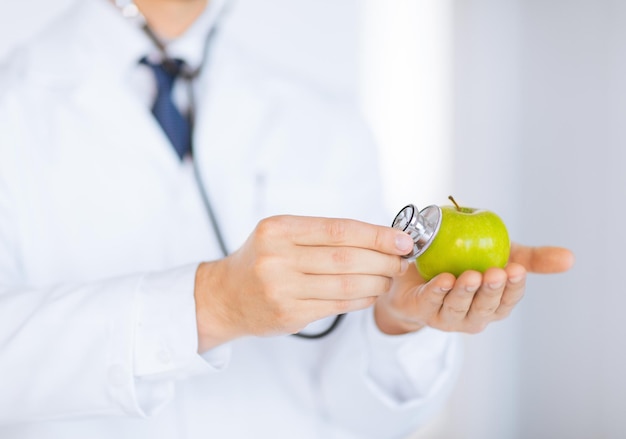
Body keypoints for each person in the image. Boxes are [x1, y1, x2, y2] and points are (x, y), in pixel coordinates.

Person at [0, 0, 574, 438]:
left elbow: (359, 411)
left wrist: (394, 322)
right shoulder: (15, 105)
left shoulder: (324, 119)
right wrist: (210, 304)